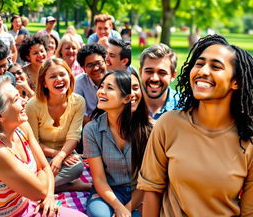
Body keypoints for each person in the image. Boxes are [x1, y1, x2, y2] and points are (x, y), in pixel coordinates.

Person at [137, 34, 253, 216]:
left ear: (236, 82)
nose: (203, 71)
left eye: (215, 66)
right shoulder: (168, 124)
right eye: (199, 64)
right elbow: (151, 190)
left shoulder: (248, 140)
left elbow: (249, 211)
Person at [0, 75, 86, 216]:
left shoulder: (22, 127)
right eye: (15, 99)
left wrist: (49, 196)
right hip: (17, 213)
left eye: (20, 96)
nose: (24, 101)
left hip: (32, 203)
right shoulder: (0, 152)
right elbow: (40, 188)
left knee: (77, 167)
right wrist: (43, 189)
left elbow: (45, 167)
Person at [26, 58, 91, 193]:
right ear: (44, 83)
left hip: (65, 152)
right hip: (40, 153)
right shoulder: (33, 105)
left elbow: (74, 137)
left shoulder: (78, 102)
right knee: (29, 169)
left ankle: (35, 188)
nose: (59, 79)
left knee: (77, 167)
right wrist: (58, 156)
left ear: (70, 76)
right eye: (52, 76)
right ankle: (67, 186)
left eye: (62, 74)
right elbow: (34, 143)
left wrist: (61, 156)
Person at [83, 70, 132, 217]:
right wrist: (118, 207)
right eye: (101, 86)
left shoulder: (143, 129)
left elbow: (148, 178)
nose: (101, 92)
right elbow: (99, 178)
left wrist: (128, 208)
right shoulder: (92, 130)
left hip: (141, 192)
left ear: (127, 98)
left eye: (109, 88)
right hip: (110, 190)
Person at [130, 67, 153, 216]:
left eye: (135, 88)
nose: (131, 94)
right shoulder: (99, 128)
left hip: (143, 195)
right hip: (113, 193)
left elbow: (148, 182)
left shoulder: (152, 130)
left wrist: (125, 210)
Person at [139, 43, 179, 121]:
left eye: (162, 73)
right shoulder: (129, 105)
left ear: (173, 75)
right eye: (149, 71)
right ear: (140, 72)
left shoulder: (185, 108)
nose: (154, 78)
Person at [75, 43, 107, 125]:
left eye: (98, 63)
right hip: (90, 127)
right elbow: (79, 116)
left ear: (105, 62)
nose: (96, 68)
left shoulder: (115, 79)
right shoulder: (79, 82)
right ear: (83, 69)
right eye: (90, 65)